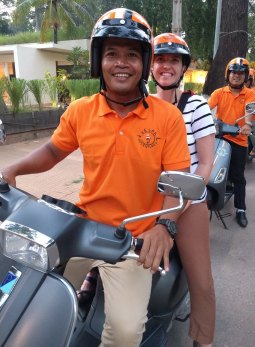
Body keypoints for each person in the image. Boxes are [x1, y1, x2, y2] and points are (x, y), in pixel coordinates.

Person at [0, 9, 191, 347]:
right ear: (98, 61)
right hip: (80, 228)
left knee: (126, 331)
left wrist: (165, 226)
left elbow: (178, 180)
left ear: (145, 63)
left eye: (132, 54)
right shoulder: (80, 110)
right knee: (21, 292)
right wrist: (12, 169)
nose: (122, 63)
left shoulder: (168, 117)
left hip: (131, 239)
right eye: (112, 54)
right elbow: (53, 152)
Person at [152, 33, 216, 347]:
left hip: (188, 201)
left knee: (200, 279)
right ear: (150, 66)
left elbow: (204, 165)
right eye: (160, 59)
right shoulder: (144, 107)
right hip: (150, 202)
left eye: (173, 60)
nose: (166, 66)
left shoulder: (197, 108)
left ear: (183, 67)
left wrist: (183, 200)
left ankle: (203, 339)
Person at [208, 57, 255, 228]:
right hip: (221, 138)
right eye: (233, 72)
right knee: (209, 169)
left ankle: (241, 209)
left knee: (238, 177)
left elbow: (250, 111)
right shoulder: (218, 93)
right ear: (227, 74)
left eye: (240, 73)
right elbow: (206, 109)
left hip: (239, 140)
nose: (236, 76)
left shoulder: (250, 94)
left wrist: (248, 124)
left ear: (245, 76)